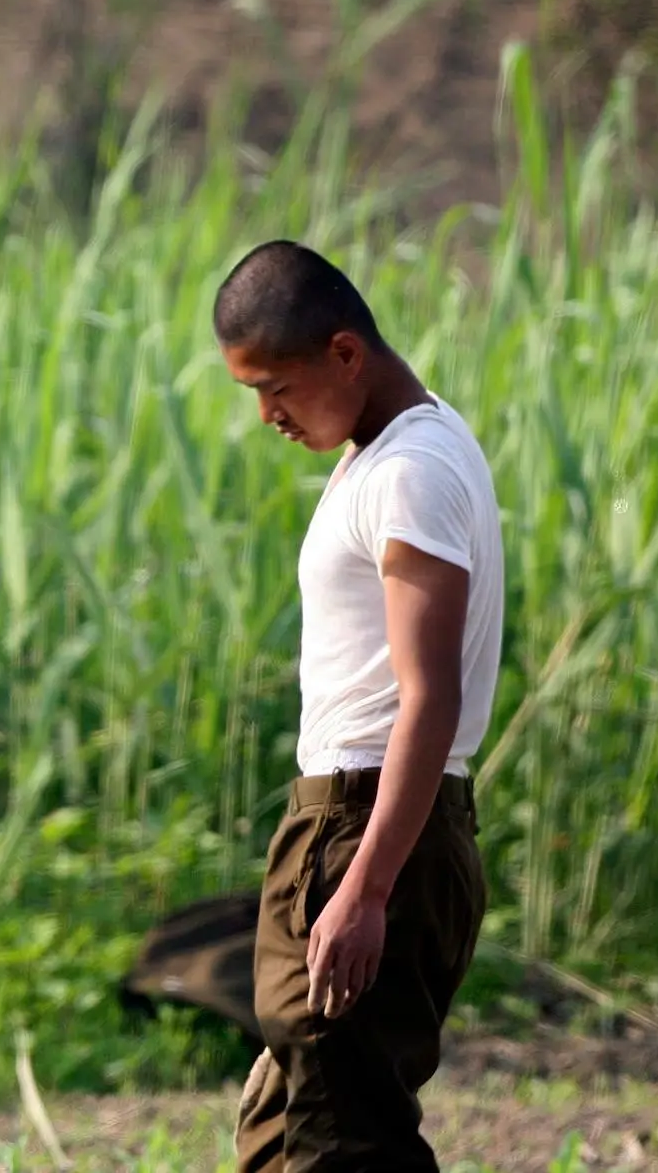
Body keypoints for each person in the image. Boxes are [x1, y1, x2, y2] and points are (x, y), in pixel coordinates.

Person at [212, 241, 503, 1172]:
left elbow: (429, 696)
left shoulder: (410, 470)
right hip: (353, 819)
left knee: (346, 1141)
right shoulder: (388, 455)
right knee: (285, 1124)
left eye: (275, 388)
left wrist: (368, 885)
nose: (267, 416)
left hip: (366, 820)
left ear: (344, 353)